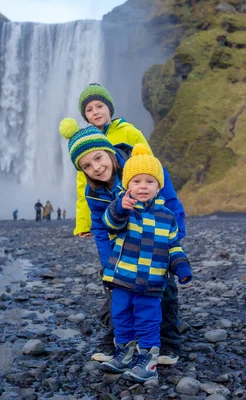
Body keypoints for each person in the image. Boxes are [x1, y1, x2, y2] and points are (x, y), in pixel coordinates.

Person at [59, 118, 186, 366]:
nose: (95, 167)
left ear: (108, 151)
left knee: (165, 288)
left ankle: (169, 342)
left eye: (98, 158)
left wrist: (173, 243)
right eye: (86, 166)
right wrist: (108, 263)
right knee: (115, 288)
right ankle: (115, 340)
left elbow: (170, 201)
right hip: (123, 247)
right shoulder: (92, 190)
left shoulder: (142, 167)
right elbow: (98, 226)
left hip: (157, 239)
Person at [99, 144, 193, 382]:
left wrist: (181, 266)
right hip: (122, 279)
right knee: (121, 316)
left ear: (159, 186)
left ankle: (148, 361)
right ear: (127, 185)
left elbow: (173, 246)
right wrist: (120, 206)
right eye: (136, 181)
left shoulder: (167, 217)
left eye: (149, 182)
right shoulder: (123, 210)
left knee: (148, 320)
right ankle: (123, 353)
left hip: (151, 282)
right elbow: (110, 222)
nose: (142, 187)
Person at [73, 83, 149, 238]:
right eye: (89, 110)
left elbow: (152, 166)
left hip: (138, 205)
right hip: (109, 213)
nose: (95, 112)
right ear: (85, 116)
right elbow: (84, 186)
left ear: (109, 107)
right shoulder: (86, 145)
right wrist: (83, 223)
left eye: (99, 106)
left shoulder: (129, 132)